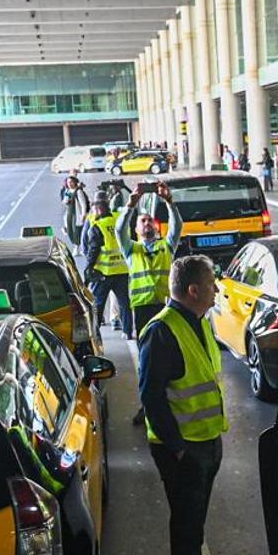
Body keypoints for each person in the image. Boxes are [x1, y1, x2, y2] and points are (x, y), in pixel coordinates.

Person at [137, 254, 236, 555]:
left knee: (193, 532)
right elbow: (150, 397)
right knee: (186, 535)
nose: (216, 289)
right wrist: (178, 450)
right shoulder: (162, 331)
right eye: (212, 283)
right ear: (194, 290)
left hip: (206, 443)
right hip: (185, 452)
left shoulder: (198, 322)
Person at [116, 182, 184, 425]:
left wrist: (169, 202)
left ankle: (169, 404)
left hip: (166, 310)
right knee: (147, 364)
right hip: (143, 312)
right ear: (136, 228)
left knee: (169, 361)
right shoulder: (130, 249)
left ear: (156, 226)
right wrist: (130, 206)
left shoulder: (167, 246)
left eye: (150, 221)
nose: (147, 224)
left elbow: (177, 227)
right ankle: (148, 406)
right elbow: (118, 231)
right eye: (142, 221)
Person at [80, 191, 132, 337]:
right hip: (122, 269)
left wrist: (88, 270)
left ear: (97, 208)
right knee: (124, 303)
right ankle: (128, 331)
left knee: (97, 305)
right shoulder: (118, 219)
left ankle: (95, 334)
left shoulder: (97, 226)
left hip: (104, 273)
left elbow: (92, 251)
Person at [61, 175, 91, 245]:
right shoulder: (67, 191)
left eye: (71, 182)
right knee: (70, 229)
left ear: (75, 182)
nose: (70, 184)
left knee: (77, 231)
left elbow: (83, 204)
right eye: (68, 182)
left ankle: (78, 246)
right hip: (69, 213)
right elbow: (64, 201)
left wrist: (83, 215)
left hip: (77, 213)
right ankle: (75, 244)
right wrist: (65, 201)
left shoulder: (78, 191)